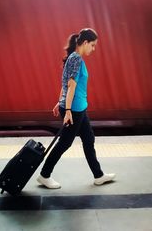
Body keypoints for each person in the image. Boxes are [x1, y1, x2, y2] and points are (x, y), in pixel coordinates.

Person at [37, 28, 115, 189]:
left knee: (88, 139)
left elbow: (65, 84)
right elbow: (71, 85)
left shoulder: (74, 58)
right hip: (74, 110)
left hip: (79, 108)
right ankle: (44, 175)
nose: (93, 49)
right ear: (85, 42)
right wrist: (67, 110)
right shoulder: (76, 59)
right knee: (64, 143)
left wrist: (60, 101)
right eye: (92, 45)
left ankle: (98, 175)